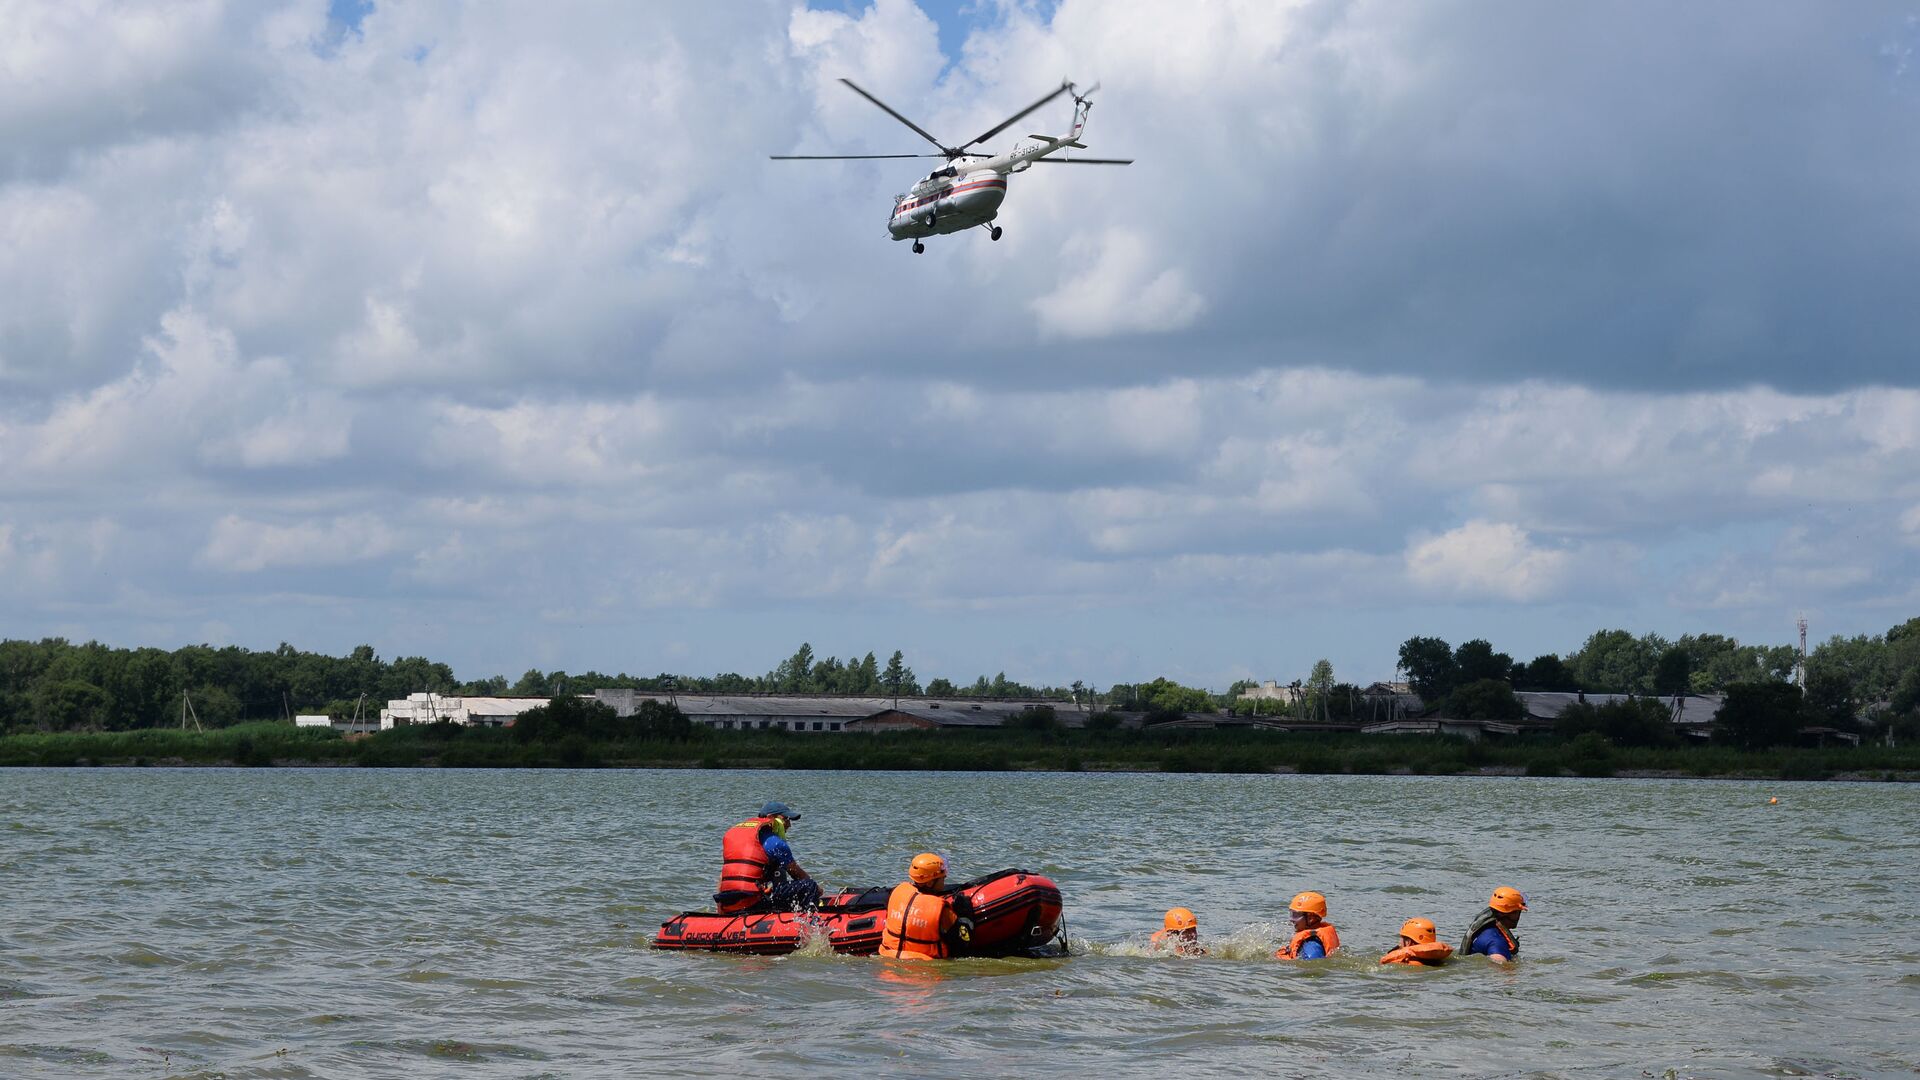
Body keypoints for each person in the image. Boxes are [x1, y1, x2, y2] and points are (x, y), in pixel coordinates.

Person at [713, 801, 820, 915]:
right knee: (809, 885)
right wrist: (817, 890)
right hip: (753, 902)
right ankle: (812, 922)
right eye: (786, 819)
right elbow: (797, 874)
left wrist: (721, 910)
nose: (789, 824)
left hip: (727, 901)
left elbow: (722, 879)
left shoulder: (741, 838)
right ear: (771, 818)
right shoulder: (775, 842)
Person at [879, 852, 972, 960]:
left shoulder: (896, 892)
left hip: (888, 957)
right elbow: (964, 942)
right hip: (925, 967)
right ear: (929, 883)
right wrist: (964, 914)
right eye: (942, 878)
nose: (944, 880)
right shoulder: (941, 909)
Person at [1461, 886, 1526, 964]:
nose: (1519, 916)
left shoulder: (1486, 928)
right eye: (1518, 911)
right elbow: (1499, 969)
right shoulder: (1497, 941)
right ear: (1510, 913)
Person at [1275, 891, 1340, 959]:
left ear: (1311, 918)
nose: (1291, 919)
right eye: (1292, 914)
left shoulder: (1312, 945)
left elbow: (1313, 962)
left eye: (1296, 915)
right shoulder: (1315, 936)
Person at [1379, 917, 1453, 966]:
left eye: (1401, 937)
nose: (1399, 943)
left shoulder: (1403, 963)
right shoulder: (1440, 960)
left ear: (1408, 942)